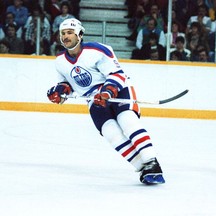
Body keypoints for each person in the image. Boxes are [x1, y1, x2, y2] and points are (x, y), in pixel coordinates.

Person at [46, 18, 165, 185]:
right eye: (63, 33)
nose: (66, 36)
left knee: (128, 121)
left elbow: (117, 74)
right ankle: (143, 168)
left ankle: (152, 161)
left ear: (80, 34)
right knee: (111, 133)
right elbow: (66, 84)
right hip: (94, 100)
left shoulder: (98, 50)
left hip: (119, 90)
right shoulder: (60, 61)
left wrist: (107, 92)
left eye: (70, 33)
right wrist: (60, 92)